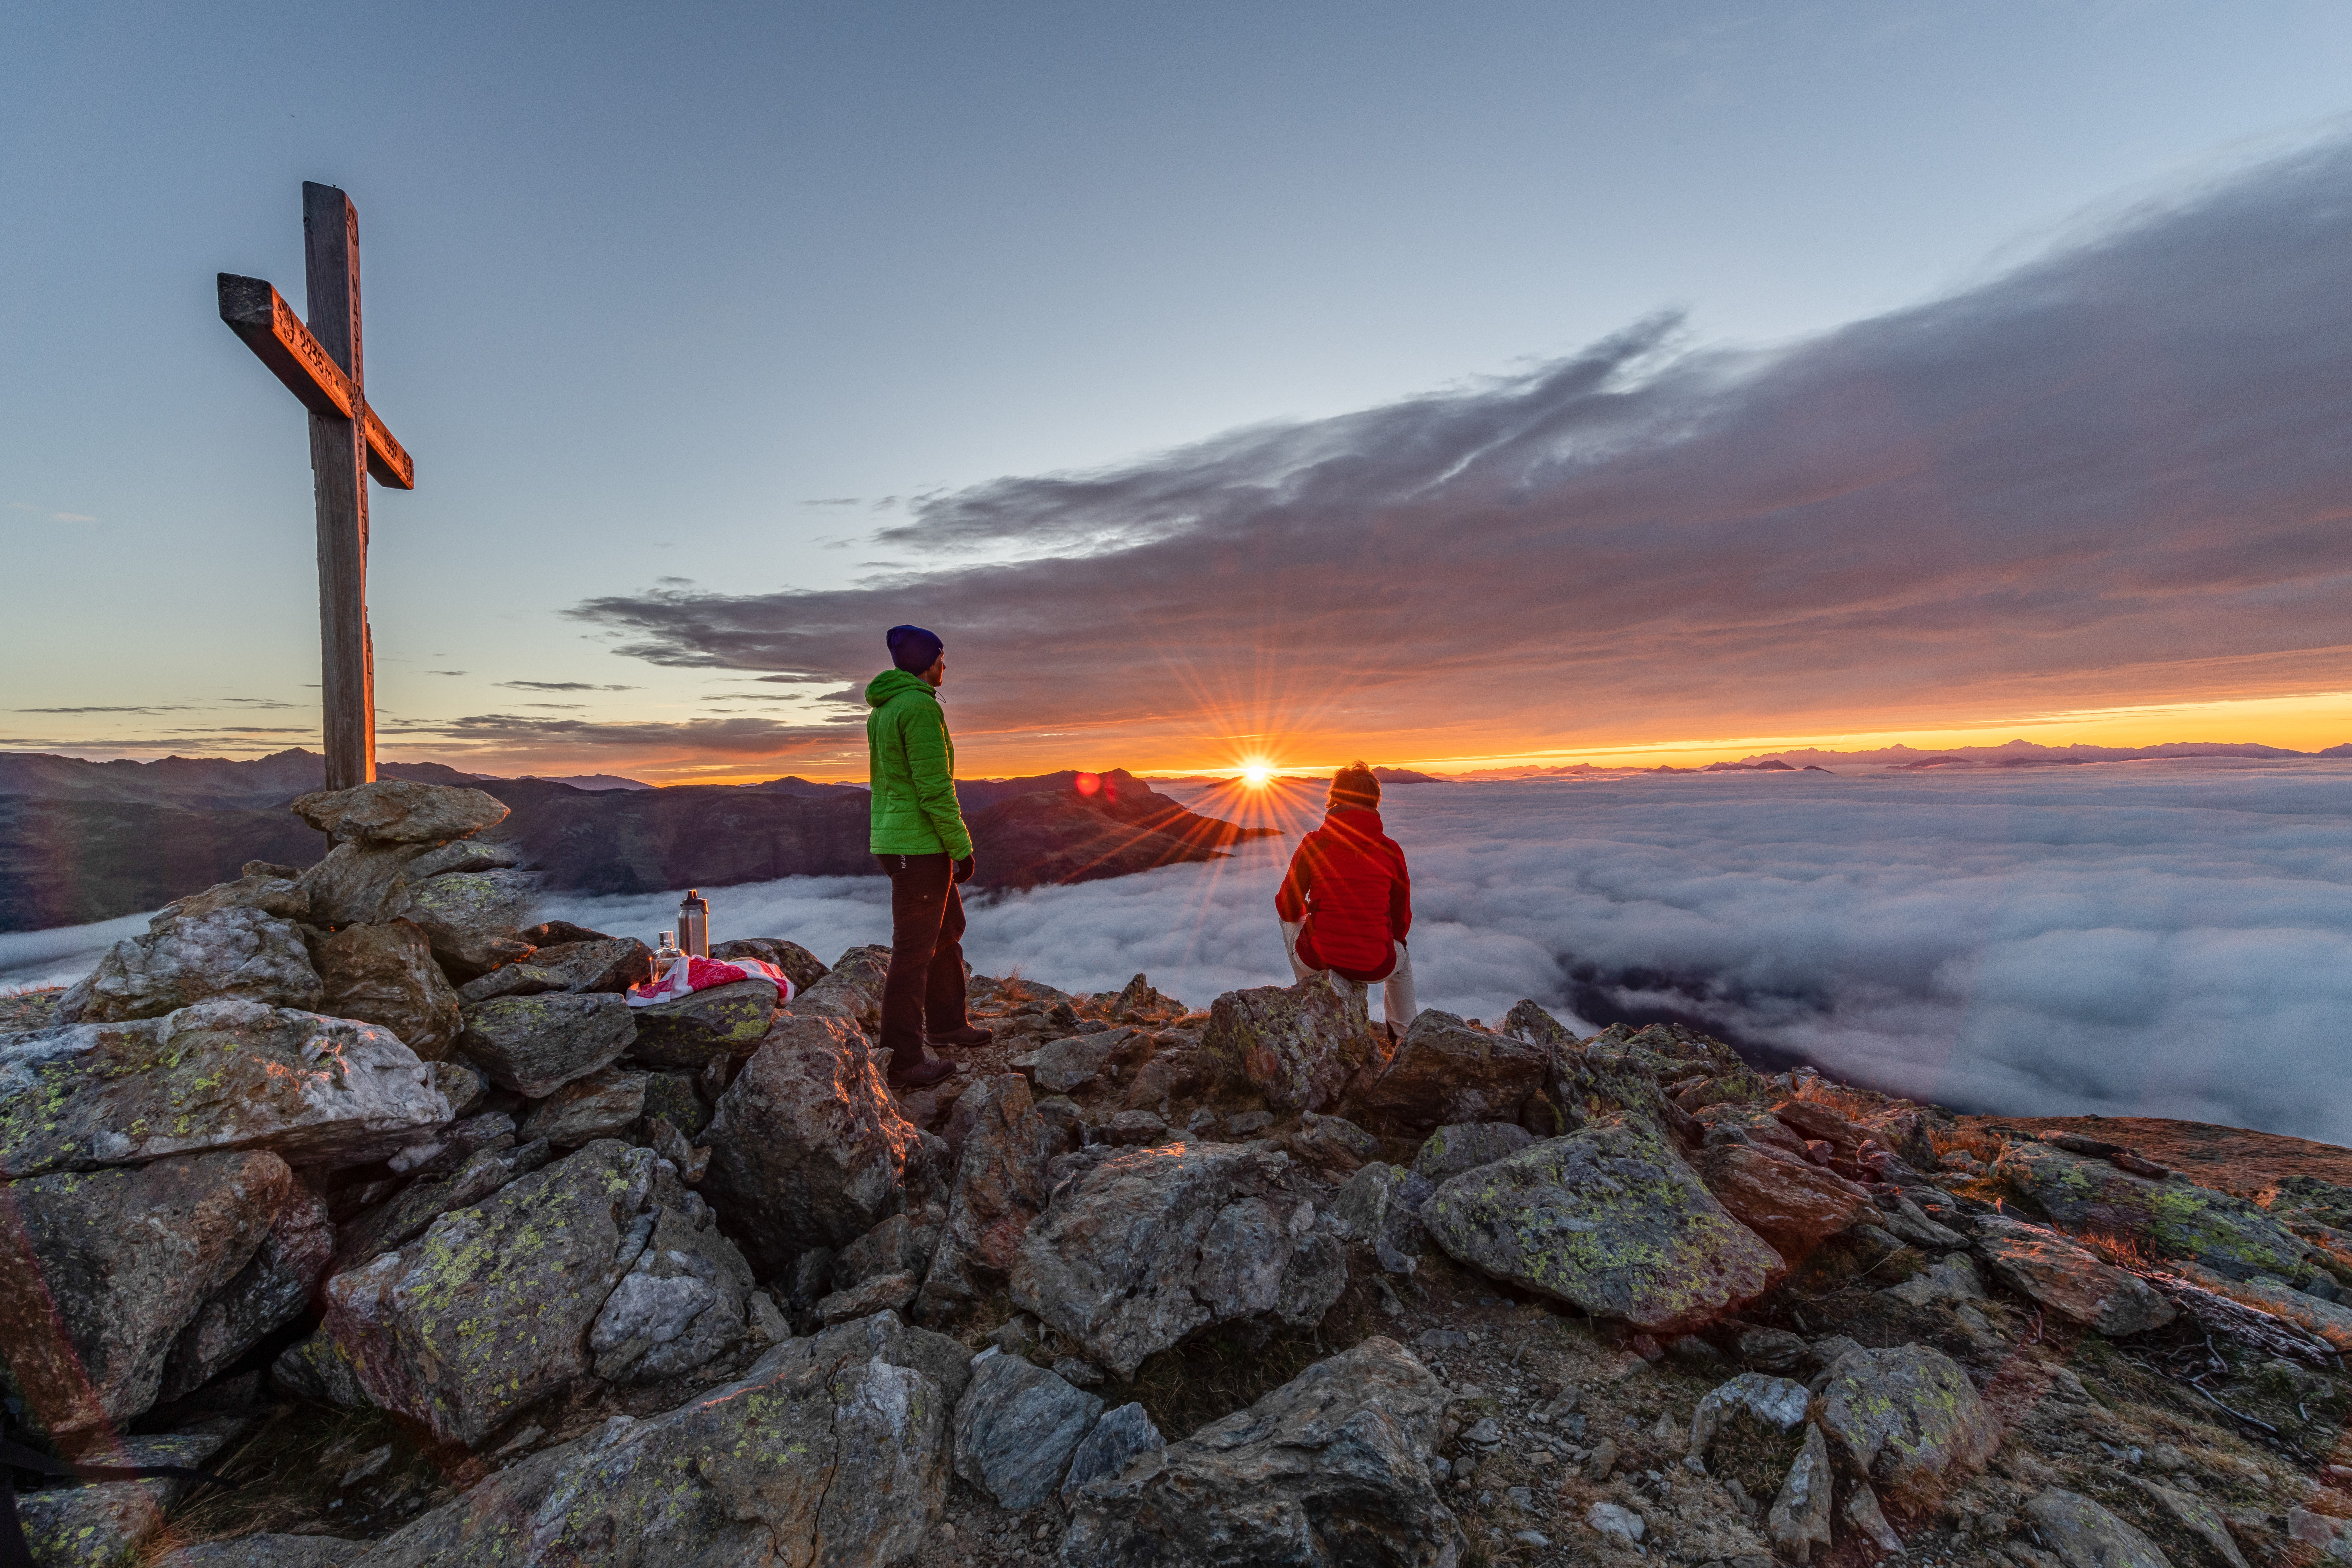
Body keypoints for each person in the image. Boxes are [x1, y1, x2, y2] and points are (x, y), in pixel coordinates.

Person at [866, 624, 991, 1089]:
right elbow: (934, 788)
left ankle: (946, 1022)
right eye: (942, 658)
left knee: (949, 927)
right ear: (928, 662)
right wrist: (961, 846)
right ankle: (903, 1060)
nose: (946, 666)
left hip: (898, 839)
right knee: (913, 952)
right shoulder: (918, 707)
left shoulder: (886, 708)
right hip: (920, 845)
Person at [1275, 761, 1418, 1036]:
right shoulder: (1391, 852)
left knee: (1286, 918)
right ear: (1374, 803)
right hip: (1377, 965)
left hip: (1318, 959)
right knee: (1403, 961)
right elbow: (1401, 926)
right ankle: (1404, 1037)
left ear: (1334, 801)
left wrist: (1310, 909)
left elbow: (1288, 907)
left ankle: (1313, 998)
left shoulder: (1315, 844)